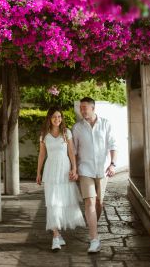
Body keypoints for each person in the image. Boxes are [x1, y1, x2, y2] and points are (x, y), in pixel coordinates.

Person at [72, 96, 117, 253]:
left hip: (103, 170)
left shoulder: (105, 124)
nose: (82, 110)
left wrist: (113, 164)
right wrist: (74, 169)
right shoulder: (77, 128)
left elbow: (112, 145)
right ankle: (94, 239)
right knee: (89, 202)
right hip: (85, 169)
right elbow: (74, 151)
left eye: (85, 107)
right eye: (81, 107)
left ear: (93, 108)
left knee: (99, 203)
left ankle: (92, 224)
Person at [36, 108, 85, 251]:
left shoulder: (66, 133)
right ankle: (55, 236)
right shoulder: (44, 135)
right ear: (49, 118)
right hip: (51, 171)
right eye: (54, 117)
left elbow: (71, 152)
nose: (57, 119)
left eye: (59, 116)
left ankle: (59, 235)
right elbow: (41, 155)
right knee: (52, 202)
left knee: (63, 202)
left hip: (64, 171)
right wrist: (38, 172)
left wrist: (74, 169)